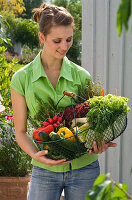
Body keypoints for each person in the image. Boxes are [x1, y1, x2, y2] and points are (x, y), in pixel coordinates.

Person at [10, 3, 117, 200]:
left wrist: (98, 141)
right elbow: (20, 131)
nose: (65, 46)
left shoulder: (82, 76)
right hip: (44, 170)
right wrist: (36, 155)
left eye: (69, 39)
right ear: (42, 37)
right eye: (57, 40)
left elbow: (91, 124)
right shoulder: (21, 79)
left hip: (84, 168)